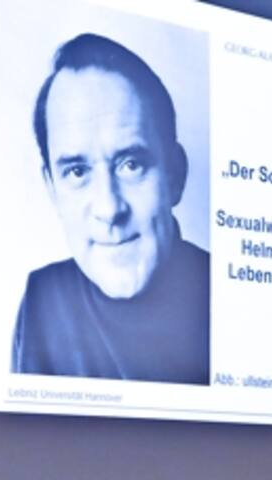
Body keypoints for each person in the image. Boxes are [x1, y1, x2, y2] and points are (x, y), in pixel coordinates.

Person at [12, 33, 210, 384]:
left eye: (131, 164)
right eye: (76, 171)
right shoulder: (43, 298)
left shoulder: (229, 294)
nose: (109, 208)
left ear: (176, 175)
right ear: (53, 190)